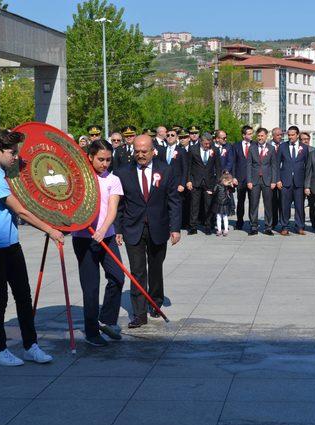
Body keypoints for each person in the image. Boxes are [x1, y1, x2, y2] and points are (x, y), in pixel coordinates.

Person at [0, 129, 62, 366]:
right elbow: (20, 210)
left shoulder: (1, 172)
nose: (15, 157)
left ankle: (30, 346)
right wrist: (50, 230)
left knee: (23, 296)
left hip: (10, 244)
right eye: (12, 153)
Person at [114, 134, 181, 328]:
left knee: (155, 268)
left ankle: (155, 302)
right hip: (133, 228)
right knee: (137, 271)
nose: (140, 155)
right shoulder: (123, 172)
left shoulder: (165, 170)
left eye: (144, 151)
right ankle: (139, 313)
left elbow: (174, 201)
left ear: (153, 151)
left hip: (158, 227)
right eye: (137, 151)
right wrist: (118, 229)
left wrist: (175, 228)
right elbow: (119, 204)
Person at [72, 140, 125, 346]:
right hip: (83, 239)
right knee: (91, 287)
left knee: (117, 277)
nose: (105, 164)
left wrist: (103, 230)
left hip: (107, 236)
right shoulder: (80, 180)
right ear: (90, 157)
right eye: (100, 159)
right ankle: (91, 331)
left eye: (108, 160)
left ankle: (107, 320)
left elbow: (112, 209)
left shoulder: (113, 180)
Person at [187, 133, 222, 235]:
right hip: (195, 181)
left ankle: (208, 226)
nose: (207, 146)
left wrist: (218, 182)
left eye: (209, 144)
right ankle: (193, 226)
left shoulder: (215, 150)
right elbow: (188, 166)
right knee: (194, 205)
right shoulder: (193, 149)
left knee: (209, 205)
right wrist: (188, 180)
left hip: (209, 181)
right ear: (201, 141)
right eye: (206, 144)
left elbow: (218, 167)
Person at [277, 126, 309, 235]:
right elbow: (276, 165)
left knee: (299, 206)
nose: (290, 137)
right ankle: (284, 226)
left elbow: (308, 166)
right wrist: (278, 180)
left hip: (299, 182)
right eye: (288, 135)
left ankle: (299, 226)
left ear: (297, 134)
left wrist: (307, 184)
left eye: (292, 135)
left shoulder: (304, 148)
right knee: (285, 205)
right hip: (285, 181)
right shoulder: (282, 147)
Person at [247, 127, 278, 235]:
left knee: (268, 204)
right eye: (258, 136)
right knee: (253, 204)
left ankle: (268, 227)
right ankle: (253, 227)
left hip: (268, 181)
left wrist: (274, 180)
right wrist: (249, 180)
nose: (260, 138)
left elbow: (274, 166)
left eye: (262, 136)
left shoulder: (271, 148)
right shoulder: (252, 148)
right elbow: (249, 165)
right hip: (254, 180)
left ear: (266, 136)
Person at [233, 125, 252, 230]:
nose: (251, 135)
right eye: (249, 134)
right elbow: (233, 163)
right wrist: (234, 177)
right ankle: (239, 221)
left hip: (252, 179)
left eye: (251, 133)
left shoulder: (255, 145)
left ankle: (252, 222)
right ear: (243, 135)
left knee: (253, 201)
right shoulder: (236, 146)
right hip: (240, 178)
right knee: (240, 201)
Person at [270, 127, 284, 229]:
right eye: (278, 135)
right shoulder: (268, 146)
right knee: (272, 201)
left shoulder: (284, 146)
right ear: (273, 135)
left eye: (281, 135)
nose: (280, 137)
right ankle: (273, 222)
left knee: (283, 201)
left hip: (282, 177)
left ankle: (283, 222)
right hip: (270, 178)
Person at [214, 172, 235, 237]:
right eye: (228, 182)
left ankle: (226, 229)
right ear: (223, 180)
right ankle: (219, 230)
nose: (228, 183)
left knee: (225, 217)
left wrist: (232, 186)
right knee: (218, 217)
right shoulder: (218, 185)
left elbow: (233, 191)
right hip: (218, 203)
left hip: (225, 203)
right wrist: (211, 192)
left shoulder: (228, 187)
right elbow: (214, 192)